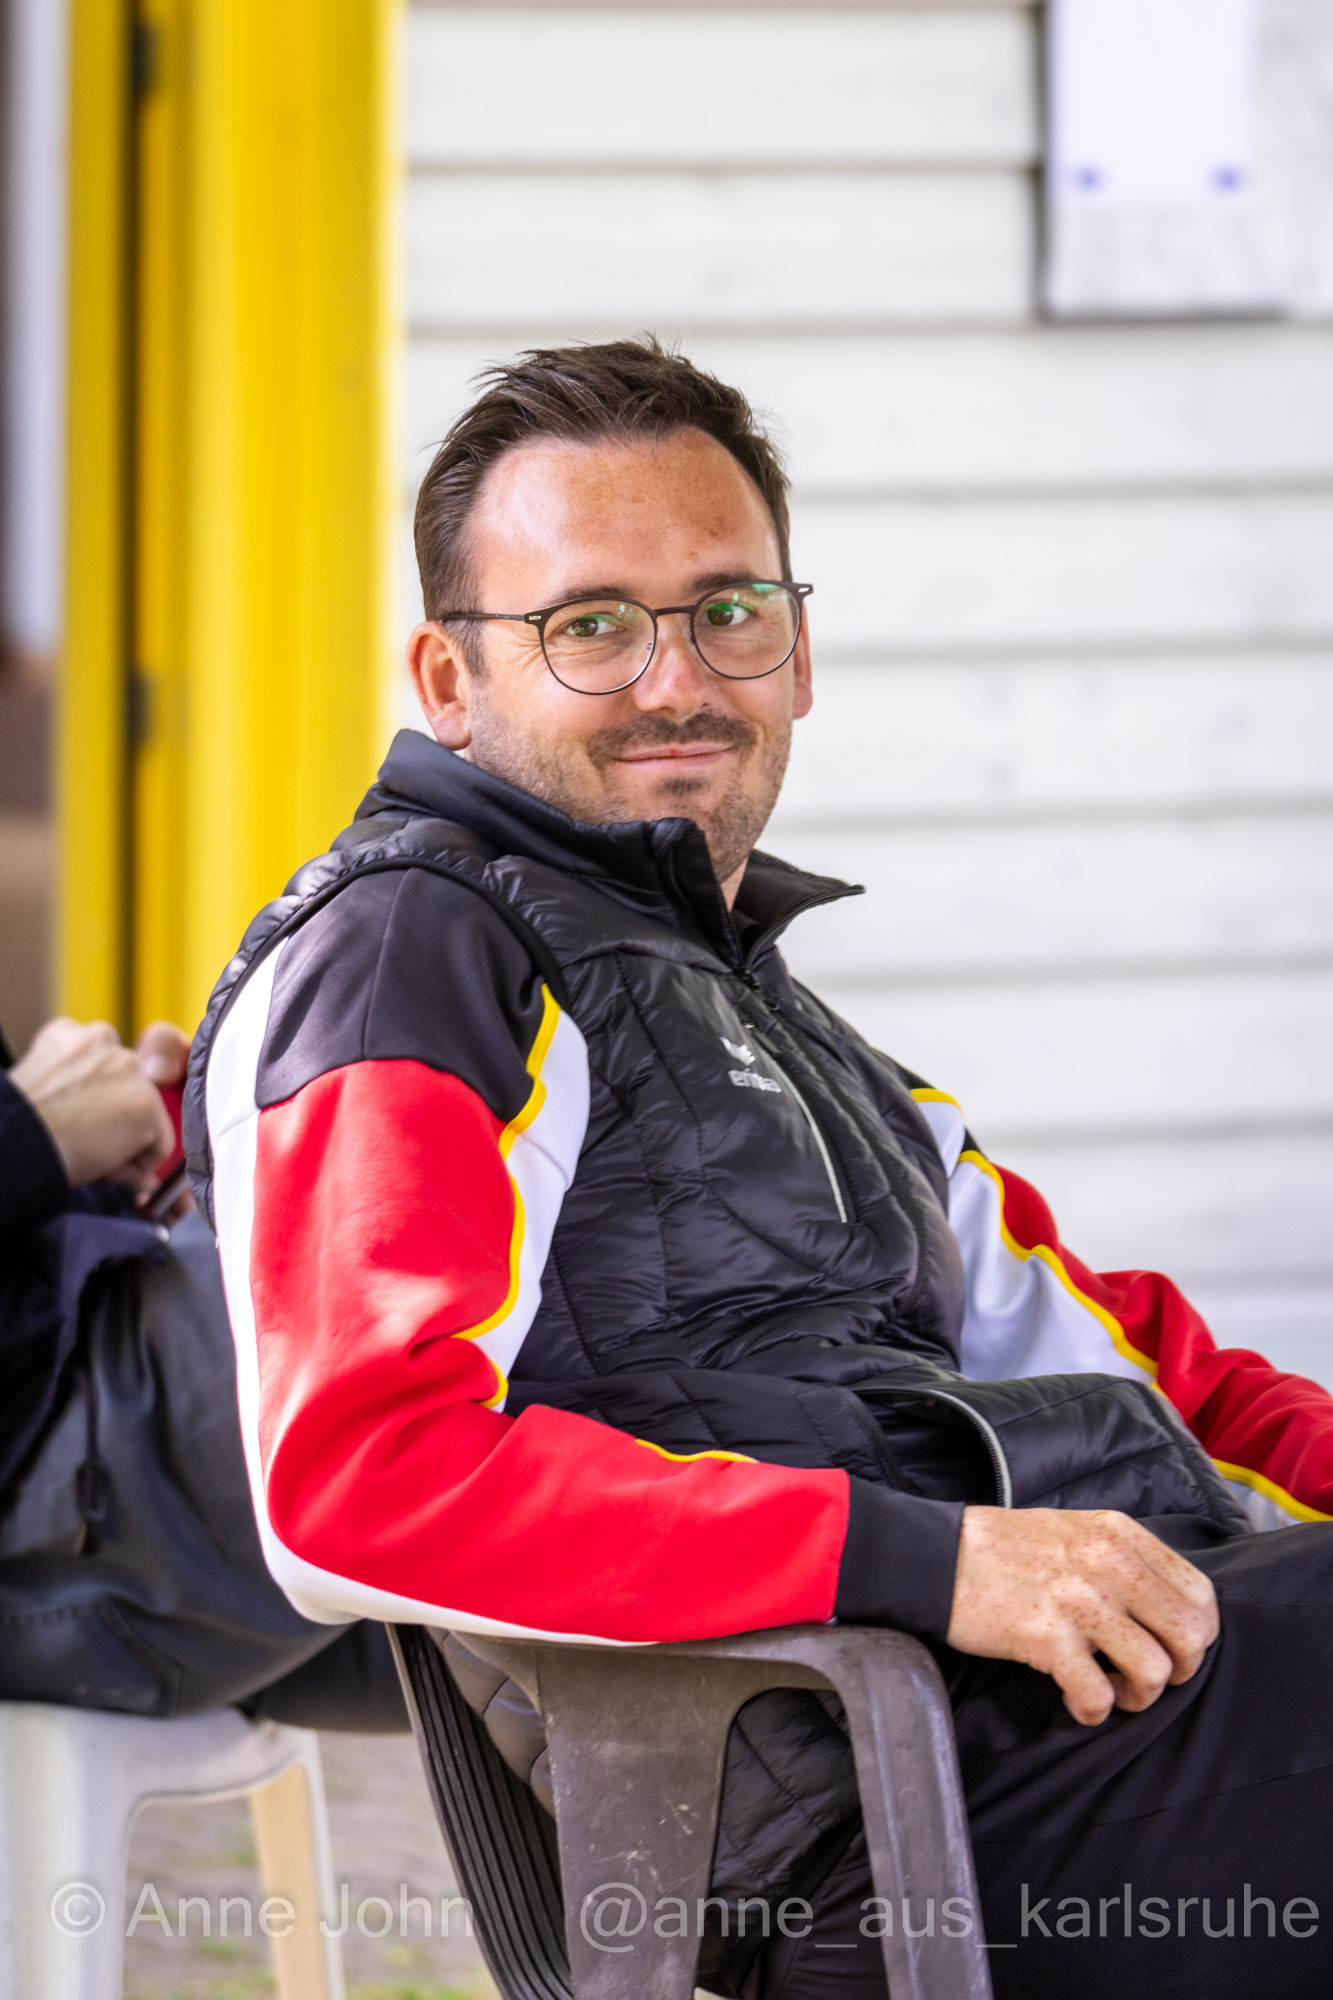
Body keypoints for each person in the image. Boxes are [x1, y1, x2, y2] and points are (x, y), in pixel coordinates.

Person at [187, 339, 1333, 1998]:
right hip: (887, 1816)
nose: (678, 679)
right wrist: (927, 1560)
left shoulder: (809, 1047)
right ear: (448, 679)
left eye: (728, 610)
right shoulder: (410, 955)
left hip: (1089, 1715)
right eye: (590, 626)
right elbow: (357, 1478)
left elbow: (1165, 1377)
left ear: (798, 653)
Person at [0, 1012, 405, 1727]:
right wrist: (35, 1129)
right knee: (438, 1124)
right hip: (64, 1462)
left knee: (547, 1615)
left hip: (99, 1384)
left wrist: (142, 1158)